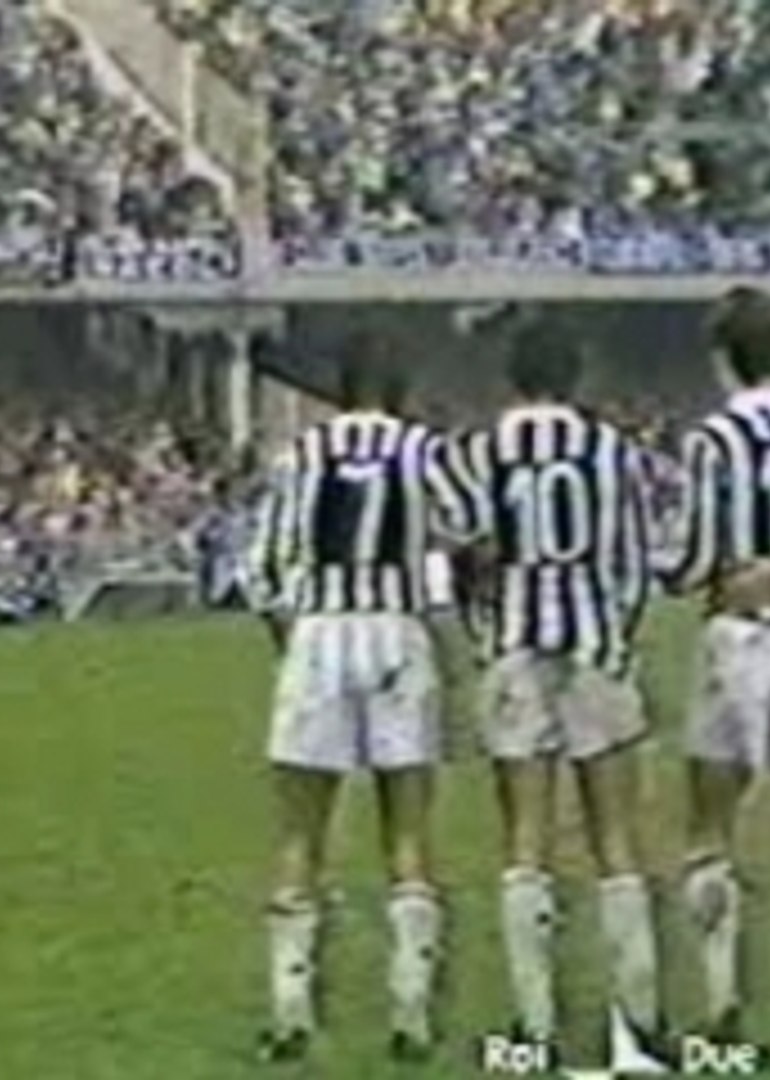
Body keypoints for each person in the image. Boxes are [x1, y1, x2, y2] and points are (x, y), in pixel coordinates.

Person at [246, 332, 469, 1062]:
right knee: (407, 831)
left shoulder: (301, 454)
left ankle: (290, 1015)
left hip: (321, 631)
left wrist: (291, 638)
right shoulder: (423, 450)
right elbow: (466, 526)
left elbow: (260, 570)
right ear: (399, 391)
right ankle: (411, 1014)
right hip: (398, 631)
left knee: (300, 835)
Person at [445, 315, 662, 1060]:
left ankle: (534, 1026)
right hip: (594, 645)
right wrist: (615, 638)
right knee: (615, 836)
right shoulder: (614, 451)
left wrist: (484, 627)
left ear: (513, 376)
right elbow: (634, 561)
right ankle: (639, 1016)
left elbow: (462, 543)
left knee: (525, 840)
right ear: (578, 376)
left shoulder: (480, 451)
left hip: (514, 646)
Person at [664, 287, 770, 1041]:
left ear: (723, 358)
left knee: (710, 818)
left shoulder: (715, 438)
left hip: (738, 633)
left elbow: (691, 557)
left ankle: (721, 1000)